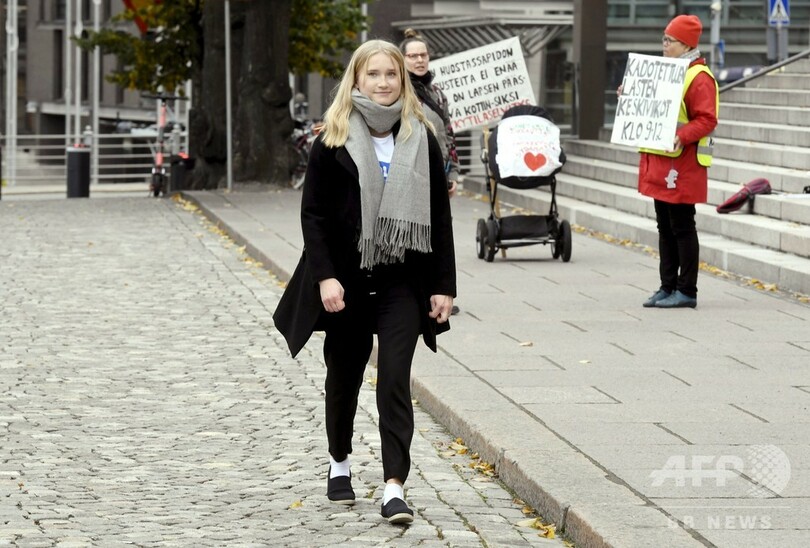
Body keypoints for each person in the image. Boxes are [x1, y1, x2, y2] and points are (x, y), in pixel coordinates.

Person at [272, 39, 456, 525]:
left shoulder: (421, 137)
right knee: (344, 379)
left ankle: (394, 486)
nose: (383, 82)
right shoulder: (332, 139)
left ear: (402, 80)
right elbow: (314, 216)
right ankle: (339, 463)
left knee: (394, 379)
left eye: (391, 74)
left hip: (403, 280)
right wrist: (326, 278)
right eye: (373, 74)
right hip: (348, 281)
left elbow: (440, 216)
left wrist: (444, 285)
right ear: (356, 80)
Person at [635, 14, 719, 308]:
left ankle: (687, 291)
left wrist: (683, 136)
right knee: (664, 226)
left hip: (682, 162)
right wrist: (631, 96)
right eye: (664, 39)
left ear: (685, 44)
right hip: (662, 160)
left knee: (681, 226)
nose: (664, 44)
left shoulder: (698, 77)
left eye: (668, 40)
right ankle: (667, 286)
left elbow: (707, 119)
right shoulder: (666, 70)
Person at [400, 29, 462, 315]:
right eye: (412, 56)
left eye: (423, 55)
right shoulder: (399, 90)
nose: (419, 60)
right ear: (403, 59)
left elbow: (448, 135)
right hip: (410, 172)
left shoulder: (437, 93)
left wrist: (454, 173)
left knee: (439, 231)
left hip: (438, 171)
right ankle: (418, 291)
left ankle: (440, 289)